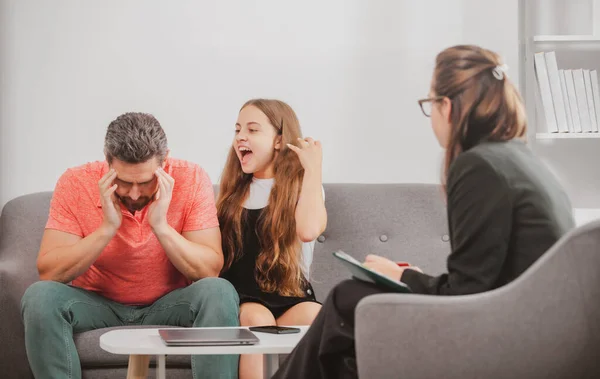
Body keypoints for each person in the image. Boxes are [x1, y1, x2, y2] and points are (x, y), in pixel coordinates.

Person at [271, 44, 576, 379]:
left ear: (446, 106)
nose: (432, 116)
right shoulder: (522, 159)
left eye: (430, 104)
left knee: (348, 297)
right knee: (348, 333)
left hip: (506, 333)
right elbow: (484, 282)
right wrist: (411, 277)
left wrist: (401, 276)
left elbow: (467, 293)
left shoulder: (479, 166)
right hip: (532, 326)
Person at [21, 112, 240, 379]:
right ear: (107, 161)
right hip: (97, 305)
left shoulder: (191, 178)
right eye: (123, 182)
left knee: (219, 291)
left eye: (145, 182)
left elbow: (208, 271)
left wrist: (160, 225)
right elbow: (50, 273)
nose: (134, 194)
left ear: (165, 161)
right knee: (39, 297)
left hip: (169, 304)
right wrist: (107, 228)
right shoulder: (76, 181)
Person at [218, 99, 327, 379]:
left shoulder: (303, 188)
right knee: (258, 320)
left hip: (290, 295)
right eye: (238, 130)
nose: (241, 136)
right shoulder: (231, 193)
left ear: (279, 140)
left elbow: (309, 230)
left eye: (253, 130)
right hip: (245, 298)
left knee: (319, 317)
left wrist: (313, 171)